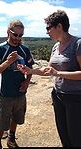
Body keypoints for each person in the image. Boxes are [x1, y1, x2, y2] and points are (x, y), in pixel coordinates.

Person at [17, 10, 81, 147]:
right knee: (63, 135)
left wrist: (58, 73)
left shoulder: (77, 44)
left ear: (59, 26)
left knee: (76, 137)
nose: (47, 32)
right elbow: (48, 70)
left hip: (75, 98)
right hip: (58, 95)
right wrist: (30, 70)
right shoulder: (56, 46)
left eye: (48, 28)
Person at [0, 19, 34, 149]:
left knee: (16, 118)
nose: (18, 38)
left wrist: (27, 82)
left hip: (20, 92)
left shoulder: (24, 49)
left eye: (21, 35)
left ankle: (11, 138)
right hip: (5, 93)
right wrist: (8, 62)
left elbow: (30, 68)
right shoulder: (0, 49)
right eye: (15, 34)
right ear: (8, 32)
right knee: (1, 122)